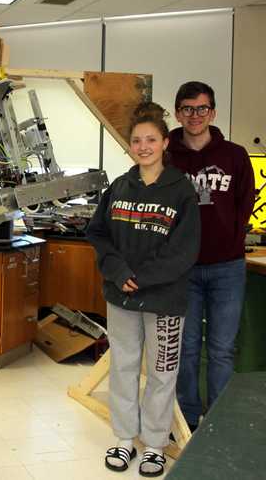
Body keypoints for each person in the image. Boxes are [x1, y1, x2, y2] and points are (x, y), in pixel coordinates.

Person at [87, 102, 200, 477]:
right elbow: (98, 233)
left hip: (164, 299)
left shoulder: (182, 191)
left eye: (152, 139)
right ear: (130, 145)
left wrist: (144, 277)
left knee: (162, 372)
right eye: (137, 140)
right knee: (123, 366)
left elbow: (184, 250)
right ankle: (123, 439)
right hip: (121, 296)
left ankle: (154, 444)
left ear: (166, 142)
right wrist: (118, 271)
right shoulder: (119, 187)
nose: (144, 146)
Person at [168, 81, 255, 431]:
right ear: (177, 113)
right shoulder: (167, 156)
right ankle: (188, 420)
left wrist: (231, 239)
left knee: (221, 349)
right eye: (187, 109)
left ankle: (217, 421)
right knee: (186, 350)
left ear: (213, 113)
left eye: (202, 108)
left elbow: (245, 201)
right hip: (182, 269)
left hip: (227, 268)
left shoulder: (235, 155)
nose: (195, 115)